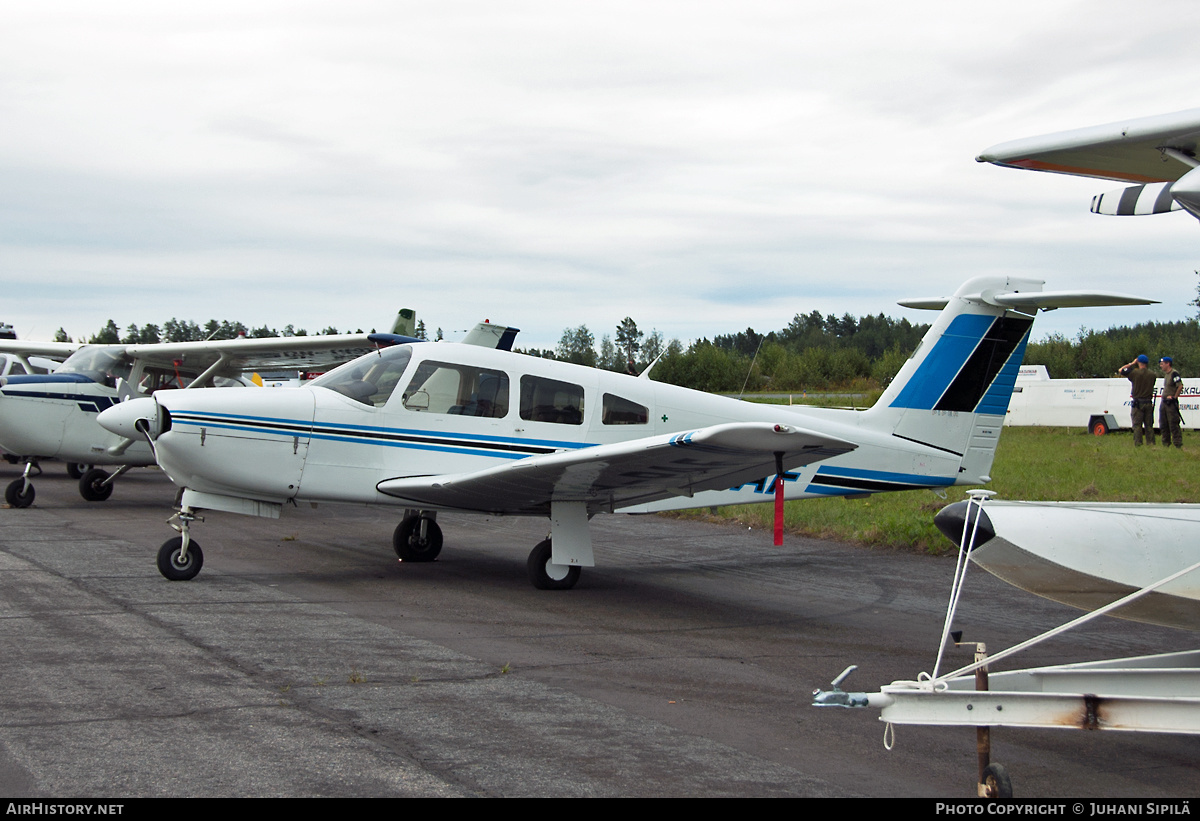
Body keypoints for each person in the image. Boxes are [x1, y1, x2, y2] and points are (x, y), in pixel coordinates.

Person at [1119, 354, 1156, 446]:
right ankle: (1151, 443)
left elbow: (1121, 370)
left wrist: (1132, 363)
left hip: (1138, 403)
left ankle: (1138, 443)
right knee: (1149, 425)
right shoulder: (1152, 375)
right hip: (1148, 402)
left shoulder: (1135, 373)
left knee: (1137, 425)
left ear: (1138, 362)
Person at [1159, 356, 1184, 449]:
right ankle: (1166, 443)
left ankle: (1177, 443)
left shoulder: (1174, 373)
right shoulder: (1167, 374)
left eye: (1162, 364)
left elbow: (1180, 386)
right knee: (1163, 423)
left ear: (1168, 364)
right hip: (1164, 402)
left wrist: (1174, 397)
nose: (1161, 366)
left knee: (1173, 423)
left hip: (1170, 403)